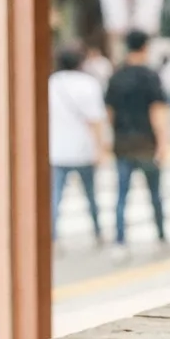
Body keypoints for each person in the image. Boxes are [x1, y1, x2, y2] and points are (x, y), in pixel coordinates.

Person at [104, 29, 170, 260]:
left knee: (122, 195)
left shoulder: (116, 76)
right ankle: (161, 238)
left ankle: (120, 241)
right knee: (154, 194)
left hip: (122, 142)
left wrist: (110, 136)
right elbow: (157, 112)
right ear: (145, 47)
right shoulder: (150, 76)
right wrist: (163, 143)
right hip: (146, 143)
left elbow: (109, 112)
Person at [50, 45, 108, 245]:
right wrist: (101, 148)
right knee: (91, 195)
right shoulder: (88, 84)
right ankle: (97, 231)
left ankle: (52, 235)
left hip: (57, 149)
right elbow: (97, 120)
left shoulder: (52, 84)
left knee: (55, 196)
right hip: (84, 148)